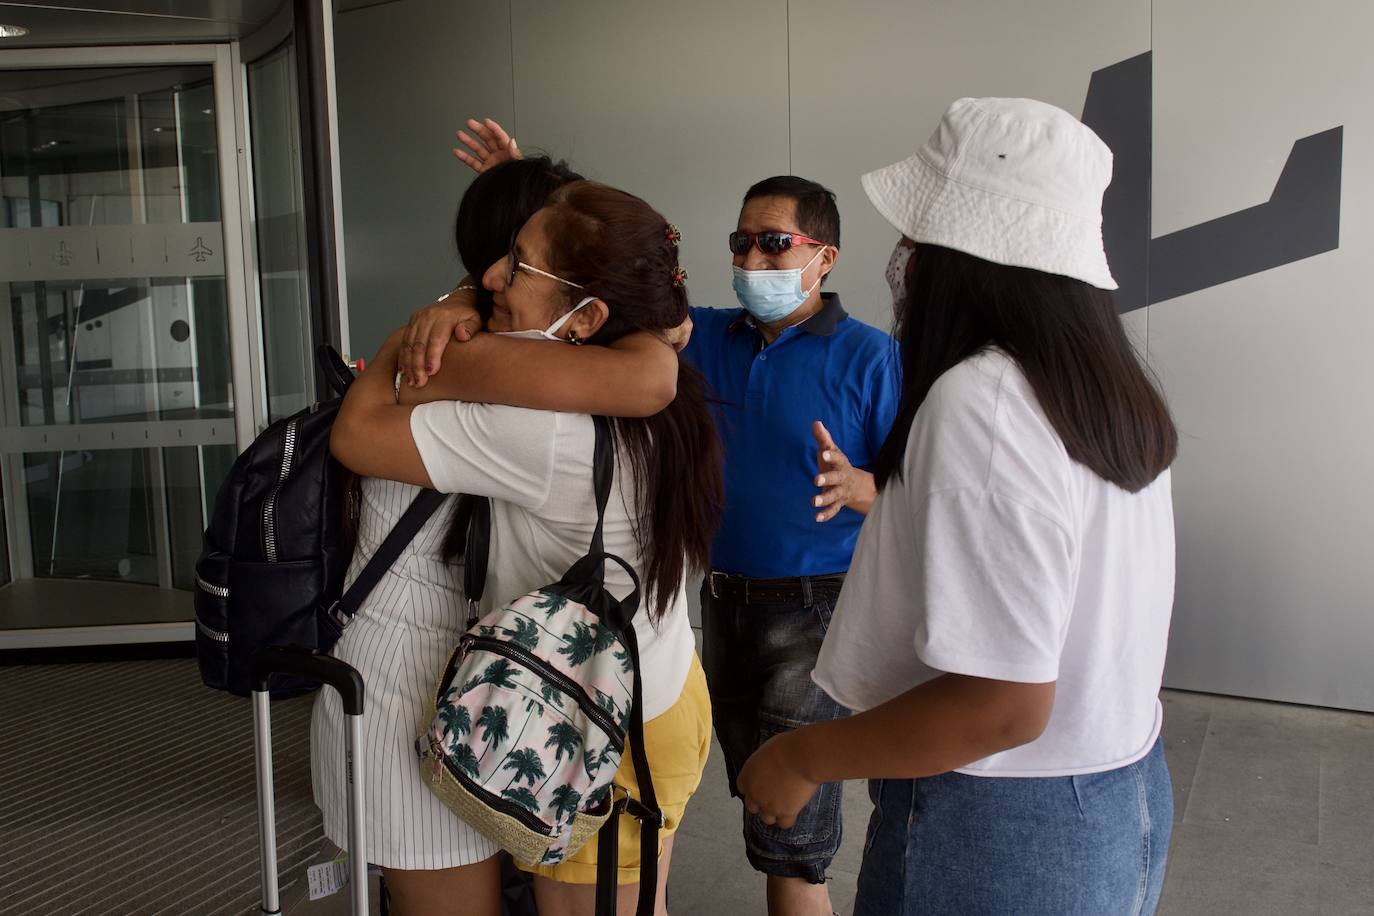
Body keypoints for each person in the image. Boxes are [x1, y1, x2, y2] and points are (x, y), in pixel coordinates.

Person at [404, 119, 901, 916]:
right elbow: (614, 266)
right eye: (741, 242)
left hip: (814, 607)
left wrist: (865, 489)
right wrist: (529, 195)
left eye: (773, 244)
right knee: (732, 793)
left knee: (795, 845)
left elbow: (920, 492)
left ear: (822, 257)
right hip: (711, 607)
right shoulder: (703, 338)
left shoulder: (872, 358)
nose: (751, 261)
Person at [737, 97, 1178, 916]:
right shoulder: (1104, 391)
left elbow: (1001, 704)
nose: (902, 258)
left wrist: (803, 758)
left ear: (964, 253)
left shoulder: (985, 401)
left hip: (1007, 827)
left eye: (916, 236)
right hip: (1123, 791)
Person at [310, 162, 708, 916]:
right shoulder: (649, 360)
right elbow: (614, 269)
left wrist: (414, 333)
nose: (488, 277)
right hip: (654, 685)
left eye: (513, 264)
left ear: (589, 317)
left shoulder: (541, 426)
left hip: (596, 715)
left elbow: (358, 432)